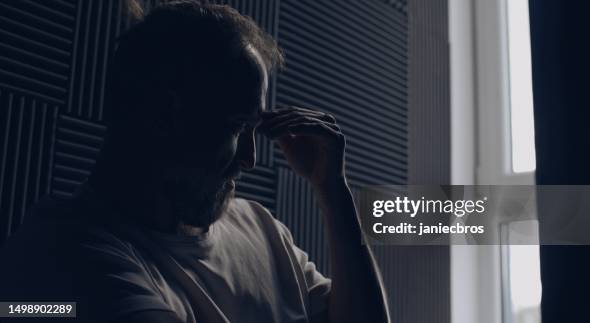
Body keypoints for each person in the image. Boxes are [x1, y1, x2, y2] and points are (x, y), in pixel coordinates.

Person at [0, 1, 389, 322]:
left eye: (256, 129)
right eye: (237, 127)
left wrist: (333, 190)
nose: (250, 160)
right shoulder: (60, 255)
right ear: (163, 115)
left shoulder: (264, 227)